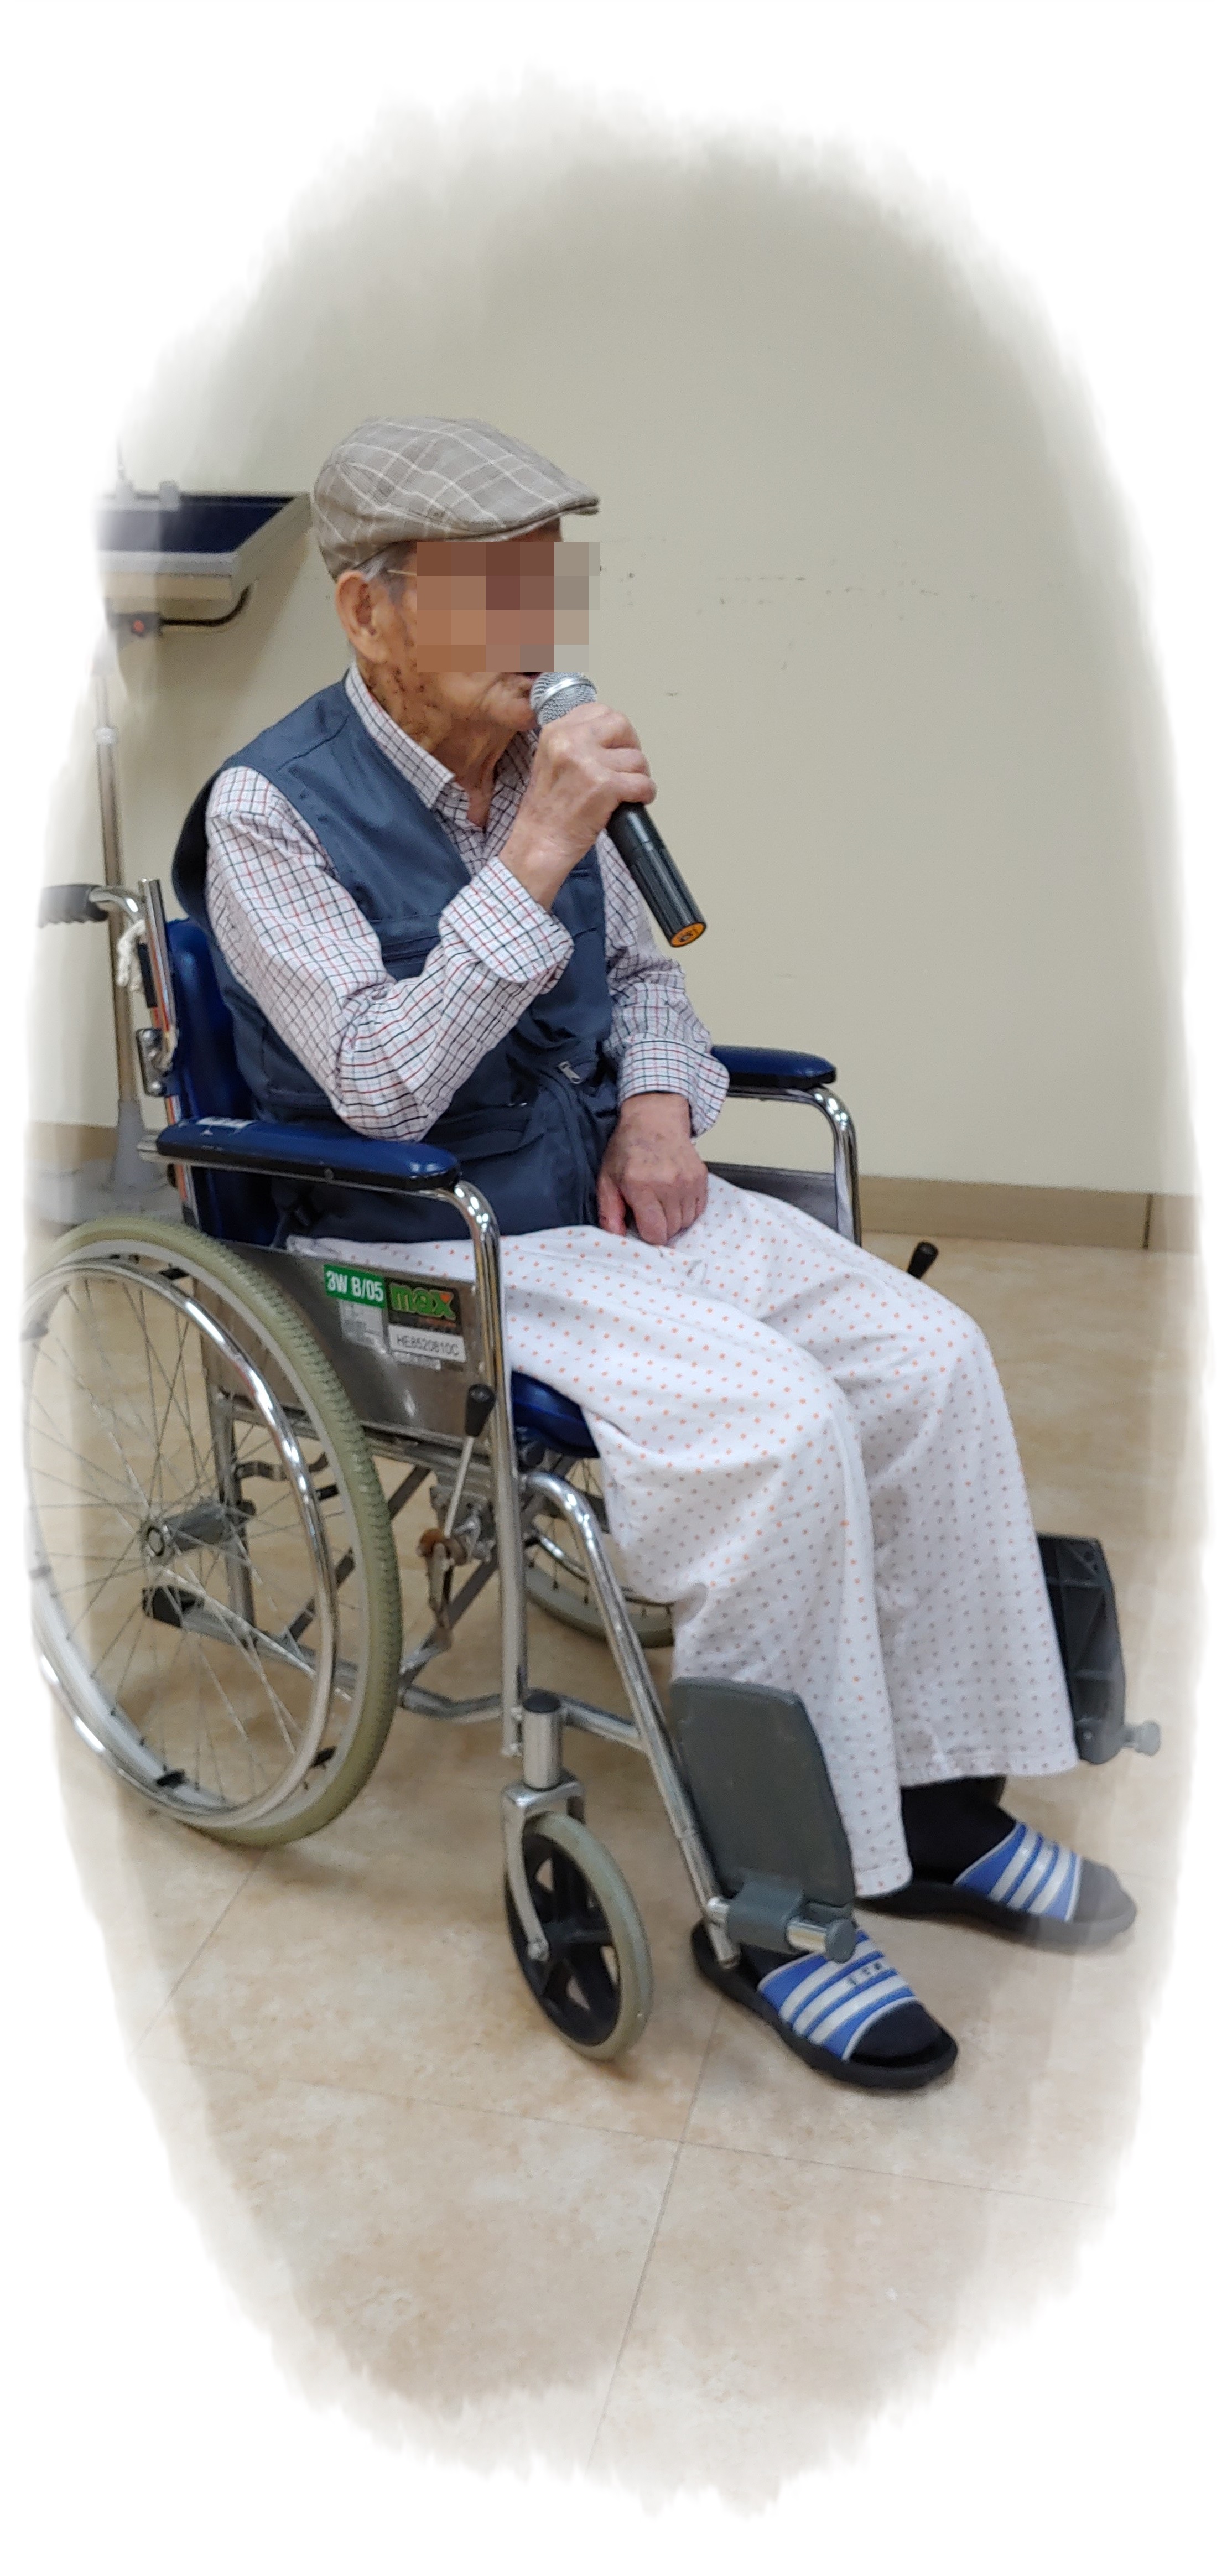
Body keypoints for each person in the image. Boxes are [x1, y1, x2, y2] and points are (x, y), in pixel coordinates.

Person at [173, 416, 1136, 2095]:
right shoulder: (268, 812)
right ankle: (775, 1905)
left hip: (603, 1198)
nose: (537, 625)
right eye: (490, 589)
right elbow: (382, 1084)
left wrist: (663, 1111)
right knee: (777, 1434)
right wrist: (537, 848)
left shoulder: (541, 752)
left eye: (545, 582)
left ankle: (931, 1798)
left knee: (929, 1361)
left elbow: (645, 986)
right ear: (368, 610)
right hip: (429, 1240)